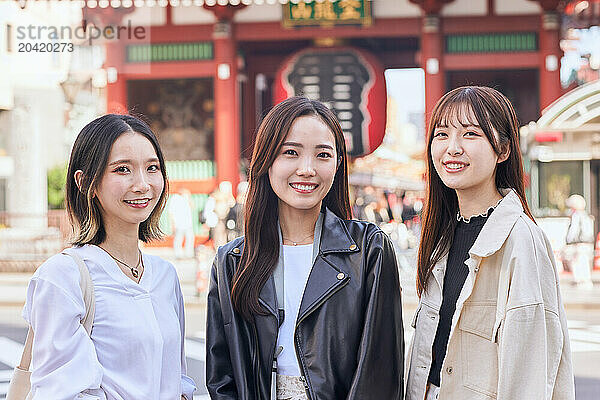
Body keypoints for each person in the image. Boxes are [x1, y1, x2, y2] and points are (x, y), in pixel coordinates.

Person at [206, 96, 404, 400]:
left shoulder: (368, 250)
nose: (307, 169)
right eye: (290, 153)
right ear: (266, 162)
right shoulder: (232, 262)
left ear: (338, 164)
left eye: (323, 155)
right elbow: (222, 379)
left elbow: (379, 372)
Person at [405, 86, 575, 400]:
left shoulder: (521, 240)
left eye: (470, 134)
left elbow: (530, 376)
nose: (452, 148)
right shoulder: (442, 235)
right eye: (442, 135)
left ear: (503, 150)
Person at [22, 114, 196, 399]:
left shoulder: (165, 275)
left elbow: (176, 378)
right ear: (85, 181)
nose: (142, 184)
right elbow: (59, 392)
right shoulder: (62, 277)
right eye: (122, 170)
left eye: (152, 168)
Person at [565, 194, 595, 289]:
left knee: (576, 261)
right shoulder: (585, 215)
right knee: (584, 261)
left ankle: (578, 280)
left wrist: (568, 240)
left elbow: (573, 230)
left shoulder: (576, 215)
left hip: (578, 243)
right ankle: (586, 279)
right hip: (586, 242)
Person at [168, 187, 195, 259]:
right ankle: (178, 254)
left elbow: (192, 206)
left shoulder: (186, 199)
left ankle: (189, 253)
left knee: (190, 238)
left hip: (188, 223)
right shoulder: (175, 199)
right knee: (178, 239)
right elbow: (171, 212)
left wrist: (189, 198)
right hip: (179, 224)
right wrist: (173, 224)